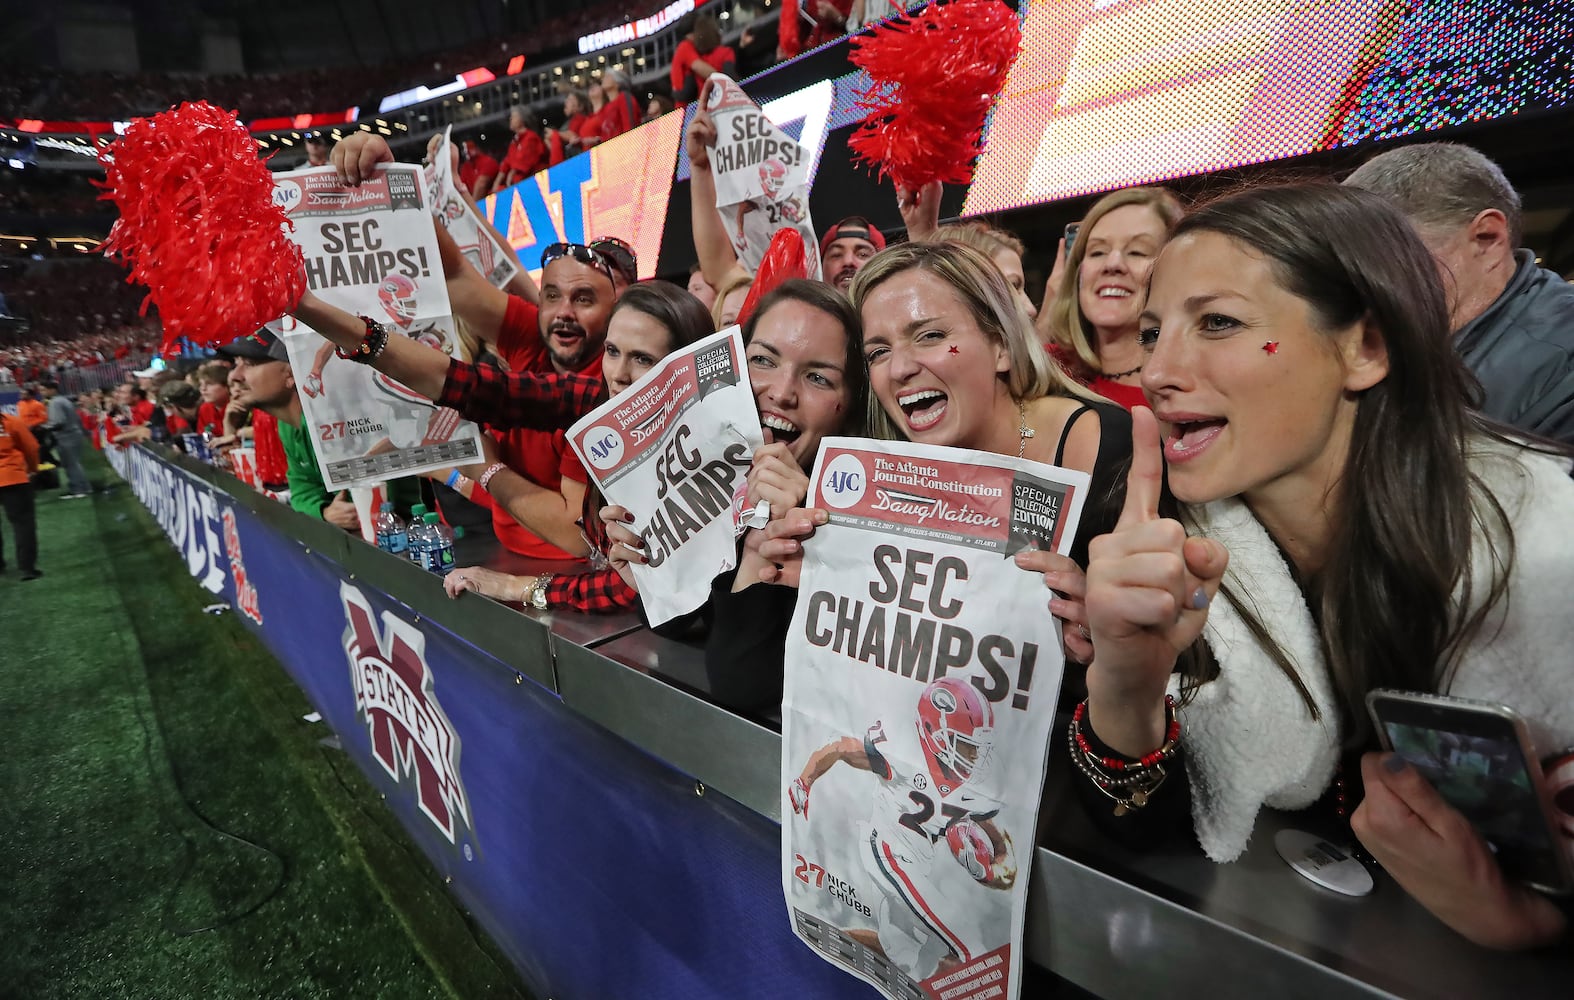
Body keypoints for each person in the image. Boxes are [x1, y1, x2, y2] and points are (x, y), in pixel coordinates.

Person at [1078, 182, 1573, 950]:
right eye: (1151, 332)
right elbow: (1141, 838)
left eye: (1217, 322)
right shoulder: (1159, 543)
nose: (1158, 371)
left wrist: (1530, 926)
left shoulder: (1544, 550)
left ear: (1366, 347)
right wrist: (1125, 679)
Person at [440, 283, 714, 612]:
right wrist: (370, 346)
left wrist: (521, 586)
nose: (619, 375)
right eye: (612, 352)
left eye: (642, 358)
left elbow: (632, 582)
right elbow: (486, 389)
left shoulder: (707, 450)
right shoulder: (598, 405)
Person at [786, 677, 1017, 980]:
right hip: (886, 849)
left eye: (978, 748)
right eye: (966, 745)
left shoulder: (979, 780)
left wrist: (996, 869)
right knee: (969, 941)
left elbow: (1000, 849)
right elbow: (842, 746)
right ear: (934, 733)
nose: (974, 757)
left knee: (908, 960)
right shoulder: (900, 746)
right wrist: (805, 779)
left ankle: (821, 940)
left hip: (920, 859)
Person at [1344, 142, 1574, 445]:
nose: (1360, 285)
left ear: (1487, 239)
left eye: (1383, 259)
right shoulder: (1387, 339)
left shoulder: (1562, 362)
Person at [1043, 186, 1183, 411]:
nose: (1112, 264)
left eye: (1137, 251)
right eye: (1097, 252)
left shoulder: (1186, 389)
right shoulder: (1048, 368)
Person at [218, 328, 360, 533]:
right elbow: (302, 491)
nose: (234, 376)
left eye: (248, 364)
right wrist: (324, 511)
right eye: (236, 364)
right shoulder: (286, 424)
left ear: (291, 374)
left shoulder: (340, 420)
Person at [0, 408, 41, 579]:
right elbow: (31, 447)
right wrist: (32, 468)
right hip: (12, 477)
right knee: (23, 523)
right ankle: (27, 567)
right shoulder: (11, 421)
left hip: (11, 477)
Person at [671, 12, 738, 107]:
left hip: (699, 106)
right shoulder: (685, 47)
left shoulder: (693, 51)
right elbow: (705, 71)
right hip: (686, 109)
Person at [40, 380, 90, 497]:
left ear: (52, 389)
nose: (42, 393)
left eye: (43, 390)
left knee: (71, 464)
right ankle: (84, 487)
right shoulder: (63, 400)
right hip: (73, 434)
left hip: (66, 436)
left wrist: (43, 428)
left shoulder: (55, 402)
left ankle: (78, 490)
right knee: (74, 463)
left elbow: (58, 422)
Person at [498, 107, 549, 190]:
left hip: (535, 183)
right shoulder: (514, 141)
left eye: (514, 116)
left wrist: (512, 173)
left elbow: (523, 165)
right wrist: (497, 181)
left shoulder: (531, 137)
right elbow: (507, 162)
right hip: (521, 183)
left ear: (523, 120)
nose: (511, 119)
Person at [598, 69, 643, 142]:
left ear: (618, 83)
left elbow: (629, 124)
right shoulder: (606, 106)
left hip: (624, 146)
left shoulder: (624, 98)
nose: (603, 79)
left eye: (608, 77)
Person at [193, 360, 231, 436]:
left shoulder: (240, 407)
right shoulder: (205, 408)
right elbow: (203, 436)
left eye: (209, 384)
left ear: (227, 386)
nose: (203, 388)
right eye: (201, 384)